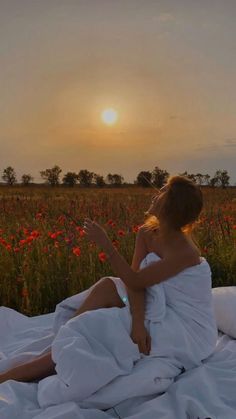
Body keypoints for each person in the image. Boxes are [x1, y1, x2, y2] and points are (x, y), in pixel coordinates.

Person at [0, 175, 215, 384]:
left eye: (163, 192)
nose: (155, 195)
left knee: (95, 328)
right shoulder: (147, 233)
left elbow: (136, 280)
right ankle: (63, 342)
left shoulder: (185, 252)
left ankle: (35, 365)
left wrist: (106, 244)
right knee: (107, 286)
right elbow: (133, 283)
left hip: (184, 327)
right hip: (153, 302)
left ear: (171, 207)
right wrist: (137, 321)